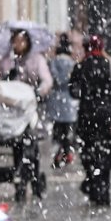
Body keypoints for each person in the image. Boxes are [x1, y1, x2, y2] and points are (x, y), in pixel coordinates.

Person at [69, 34, 111, 209]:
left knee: (89, 154)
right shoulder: (110, 64)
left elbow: (72, 91)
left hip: (87, 116)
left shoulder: (80, 66)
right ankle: (104, 191)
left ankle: (93, 187)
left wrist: (87, 94)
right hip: (107, 116)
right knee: (106, 155)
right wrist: (108, 94)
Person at [0, 28, 53, 197]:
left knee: (31, 143)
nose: (18, 45)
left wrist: (38, 91)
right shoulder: (6, 60)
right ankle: (20, 176)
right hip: (12, 110)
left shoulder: (36, 60)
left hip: (31, 108)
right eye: (15, 41)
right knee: (17, 144)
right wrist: (7, 78)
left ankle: (32, 176)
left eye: (22, 41)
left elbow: (47, 81)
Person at [44, 33, 80, 168]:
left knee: (57, 129)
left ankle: (60, 152)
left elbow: (53, 77)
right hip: (70, 100)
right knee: (67, 129)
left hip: (56, 99)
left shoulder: (53, 62)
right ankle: (67, 152)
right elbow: (72, 80)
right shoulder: (72, 63)